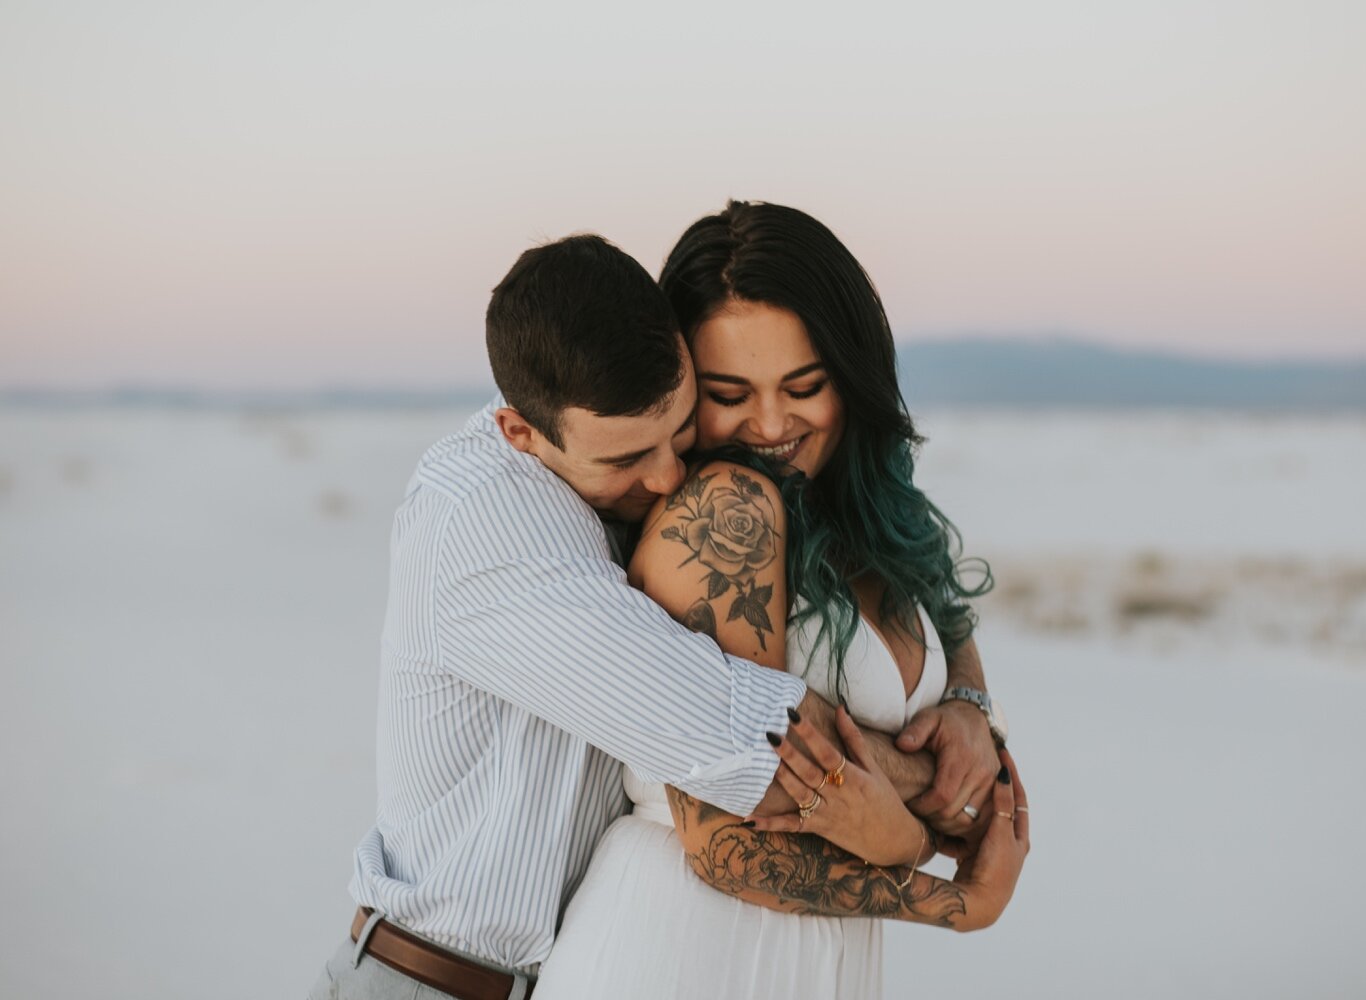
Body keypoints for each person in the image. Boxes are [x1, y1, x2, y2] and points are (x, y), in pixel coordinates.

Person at [309, 233, 1005, 1000]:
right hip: (433, 978)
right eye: (731, 395)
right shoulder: (489, 526)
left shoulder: (611, 423)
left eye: (679, 427)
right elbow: (735, 734)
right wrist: (925, 839)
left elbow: (934, 604)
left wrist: (969, 705)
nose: (667, 474)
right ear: (522, 432)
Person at [536, 202, 1030, 999]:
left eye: (805, 385)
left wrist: (969, 702)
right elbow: (720, 842)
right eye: (730, 392)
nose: (771, 423)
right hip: (680, 953)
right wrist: (947, 895)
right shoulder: (724, 513)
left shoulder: (870, 515)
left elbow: (942, 619)